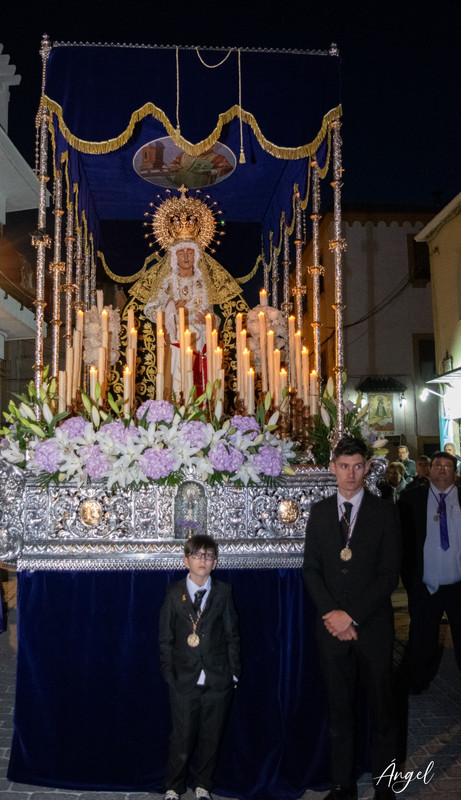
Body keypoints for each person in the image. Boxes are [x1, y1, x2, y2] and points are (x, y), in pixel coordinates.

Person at [303, 437, 401, 800]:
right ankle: (342, 784)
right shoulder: (319, 512)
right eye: (344, 466)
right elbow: (311, 569)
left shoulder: (384, 512)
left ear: (368, 466)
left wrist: (352, 616)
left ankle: (385, 785)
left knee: (383, 709)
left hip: (372, 625)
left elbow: (389, 574)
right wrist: (333, 615)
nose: (350, 473)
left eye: (358, 466)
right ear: (332, 468)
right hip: (331, 628)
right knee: (339, 709)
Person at [159, 534, 240, 800]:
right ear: (186, 560)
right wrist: (169, 674)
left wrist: (233, 673)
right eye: (197, 555)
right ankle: (174, 786)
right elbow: (166, 637)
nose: (202, 560)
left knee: (211, 736)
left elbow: (232, 634)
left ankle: (203, 784)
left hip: (218, 678)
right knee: (181, 736)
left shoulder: (223, 592)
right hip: (184, 677)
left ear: (215, 562)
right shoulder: (173, 593)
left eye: (208, 556)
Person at [398, 450, 461, 694]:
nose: (442, 469)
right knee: (423, 638)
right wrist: (409, 580)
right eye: (437, 465)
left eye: (448, 465)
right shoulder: (411, 500)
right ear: (429, 469)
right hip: (426, 585)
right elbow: (402, 542)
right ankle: (418, 682)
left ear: (455, 472)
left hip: (458, 585)